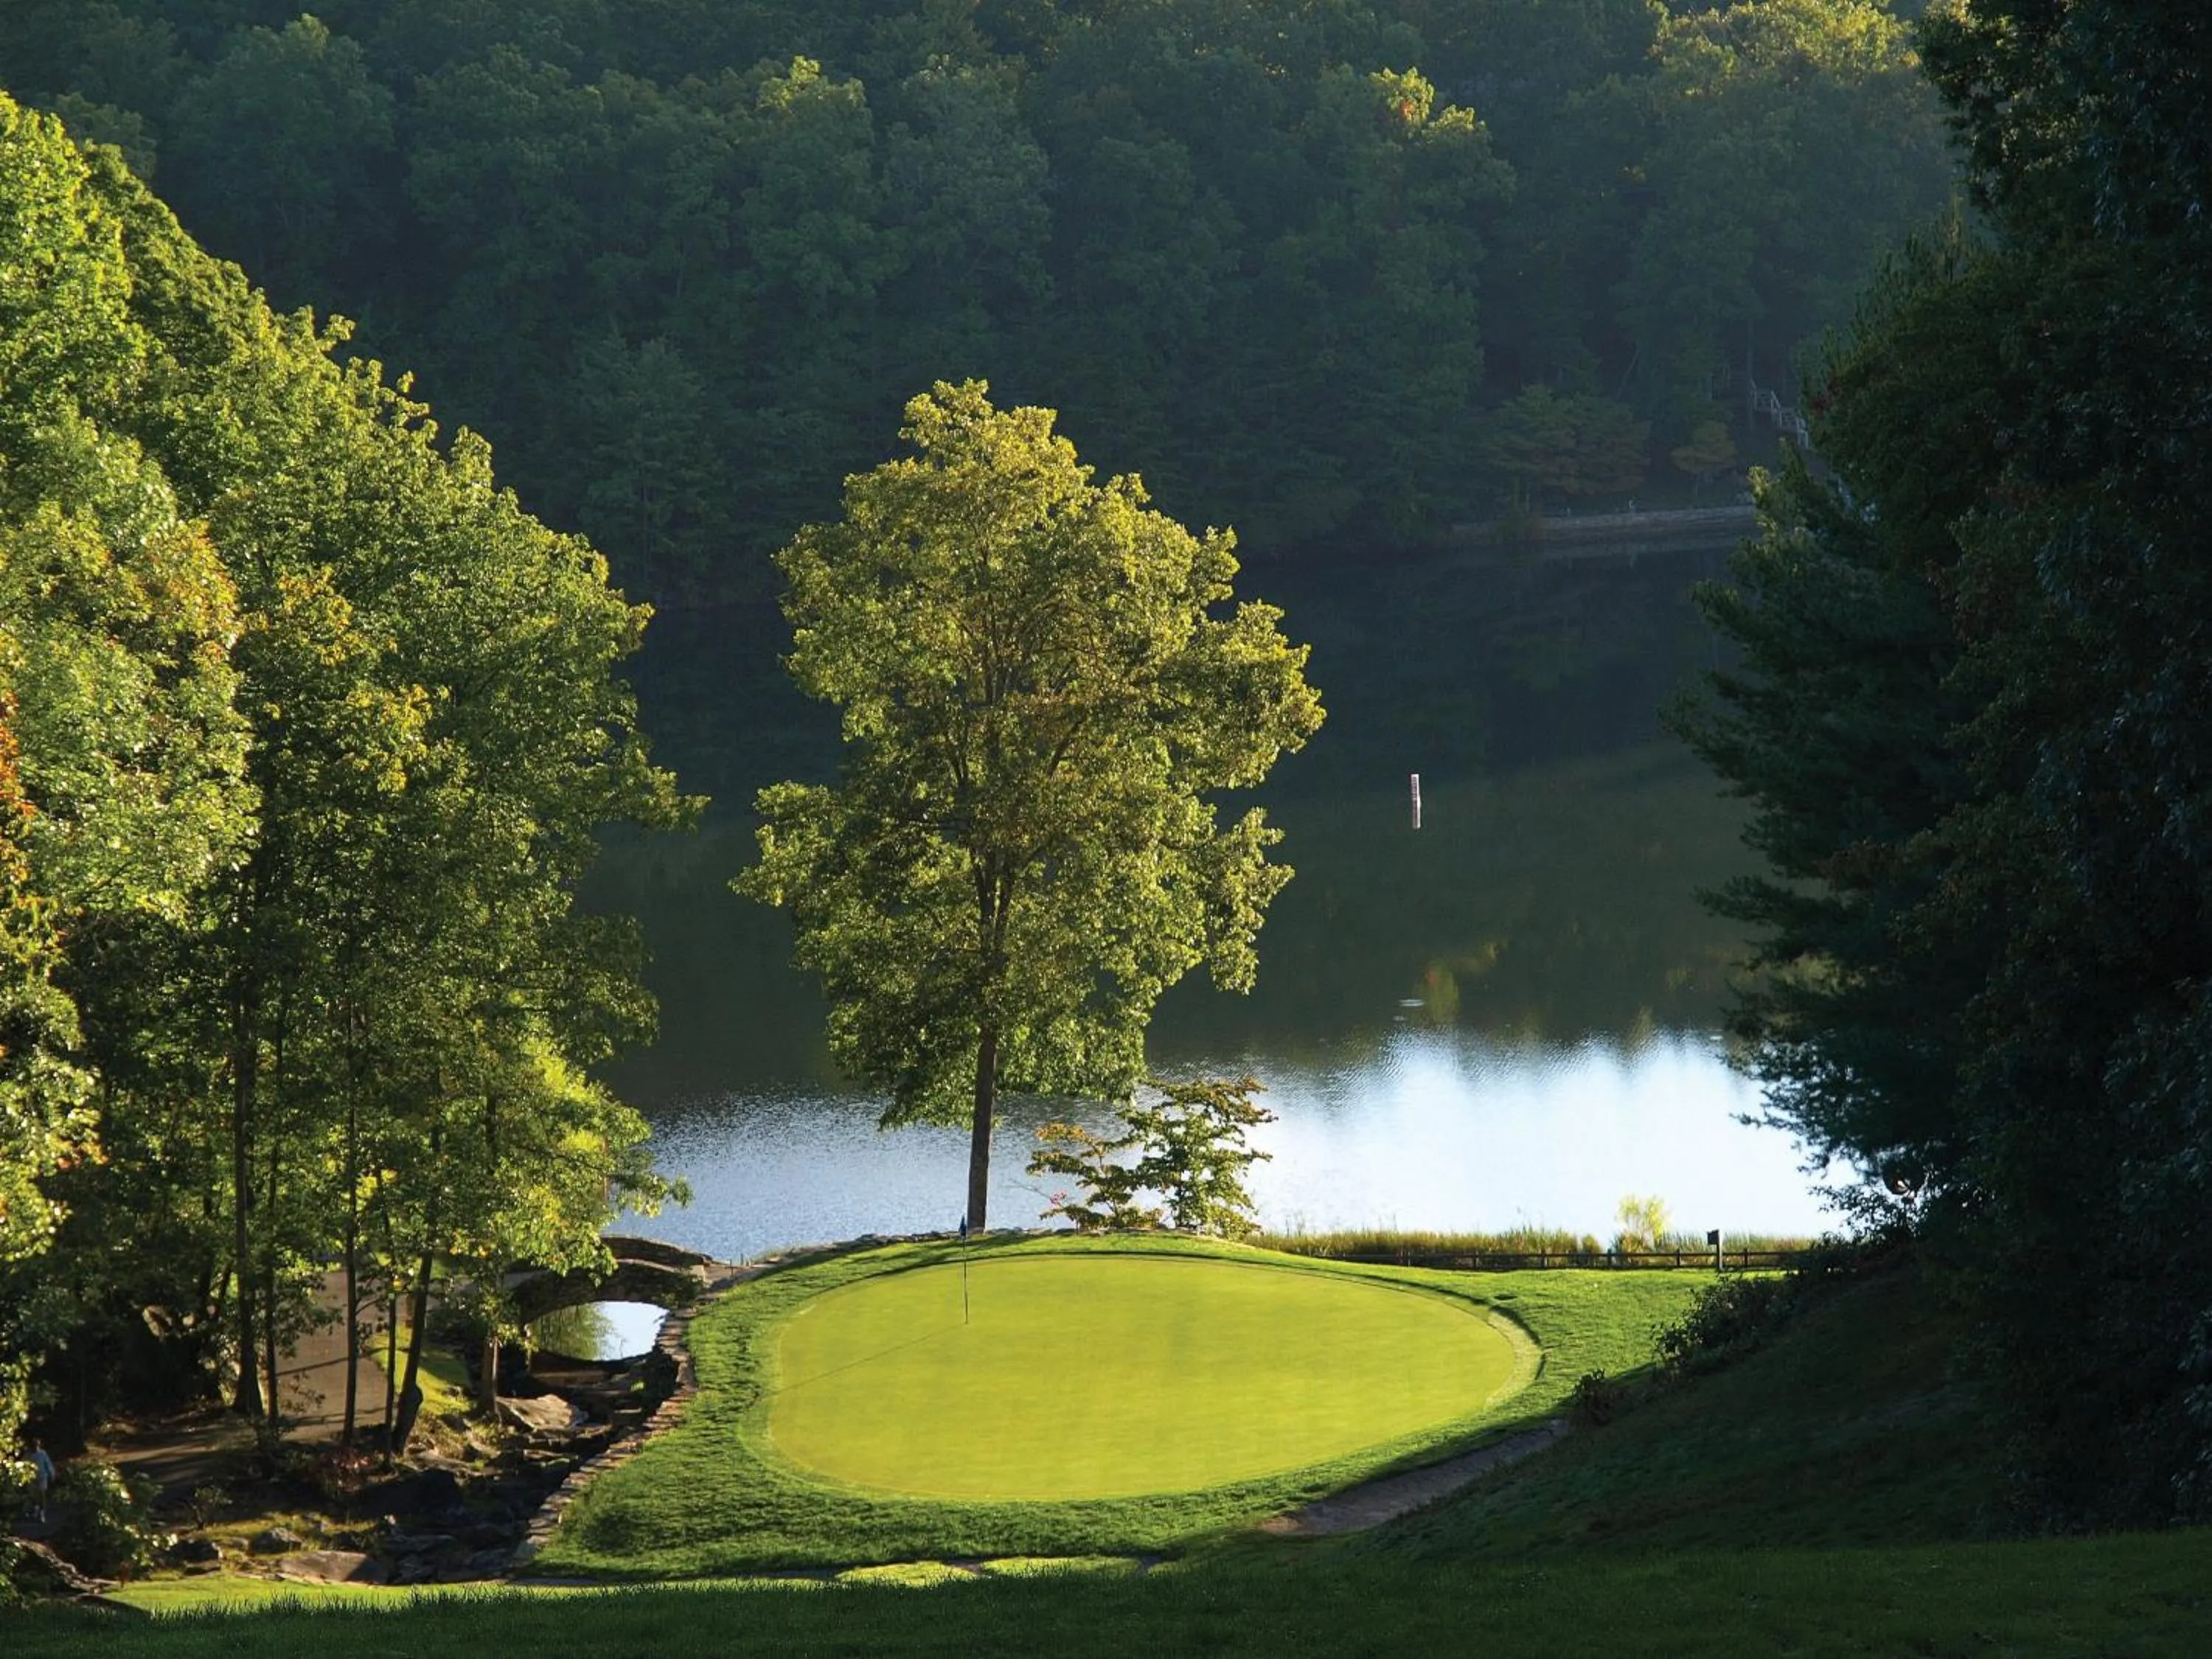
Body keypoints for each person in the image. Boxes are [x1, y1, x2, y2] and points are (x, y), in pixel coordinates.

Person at [29, 1436, 54, 1523]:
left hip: (42, 1477)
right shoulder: (29, 1455)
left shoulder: (42, 1454)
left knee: (42, 1495)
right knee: (35, 1496)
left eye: (37, 1445)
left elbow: (48, 1464)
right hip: (32, 1479)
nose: (36, 1447)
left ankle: (42, 1513)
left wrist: (51, 1474)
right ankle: (36, 1510)